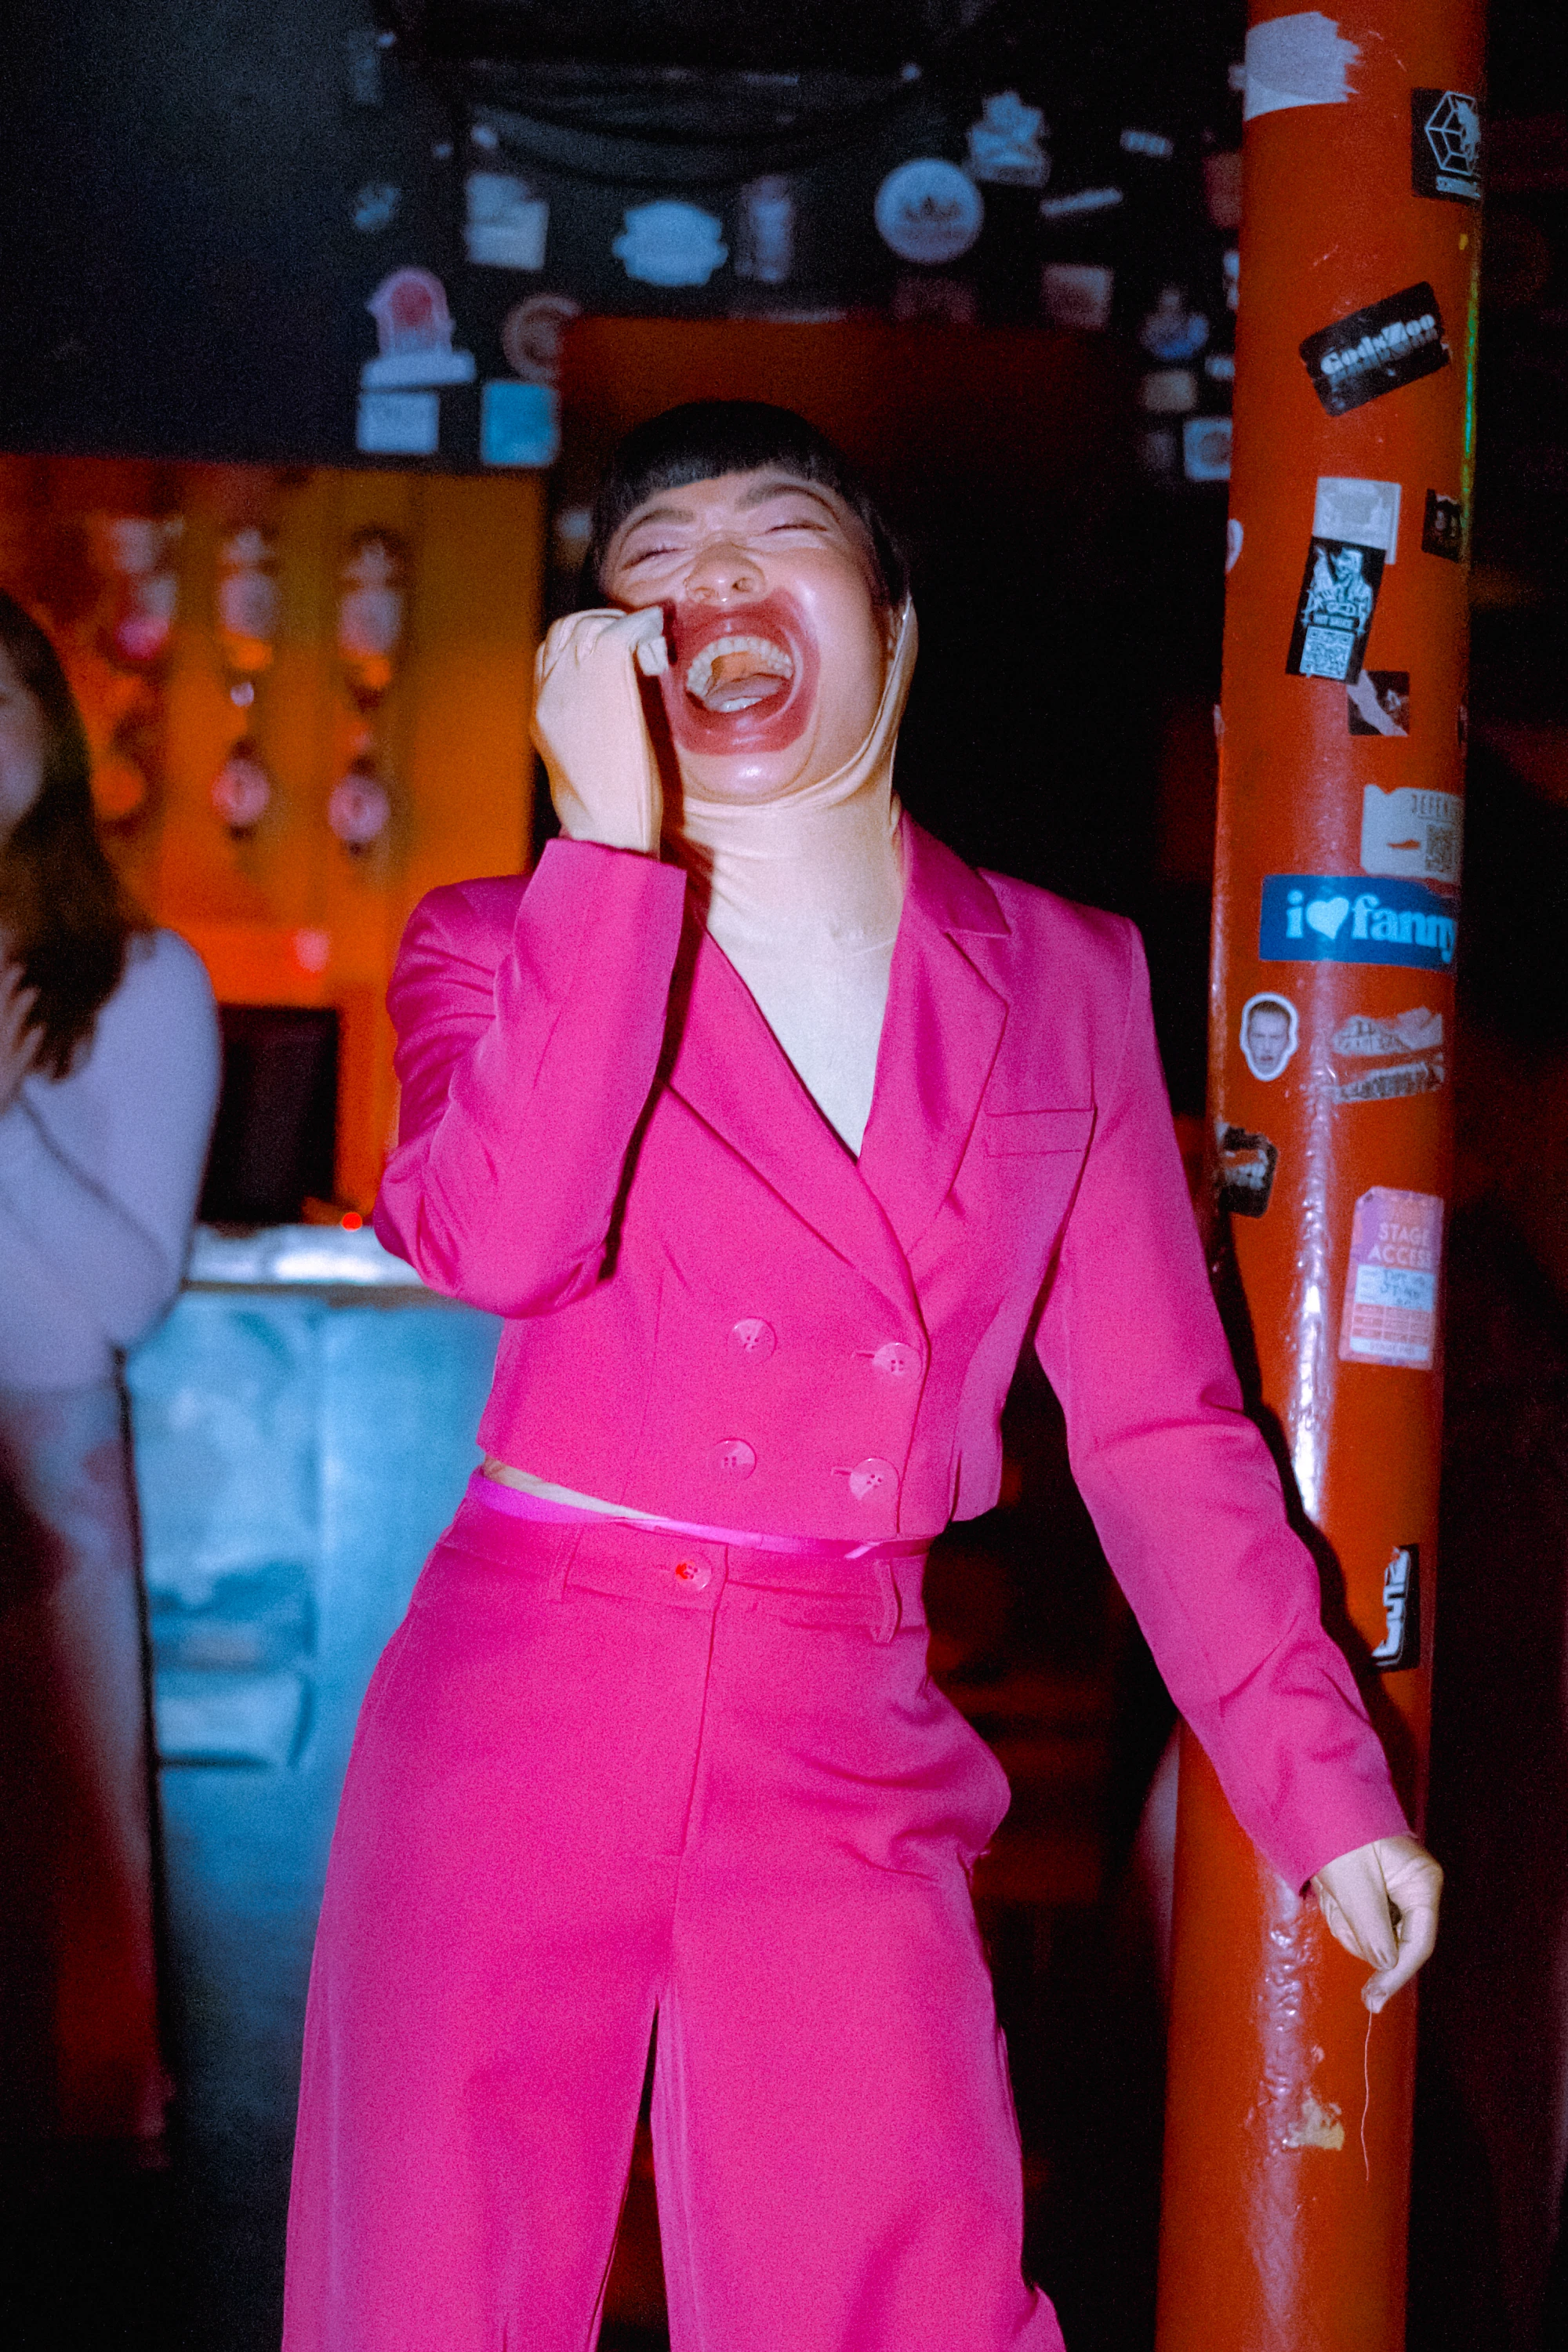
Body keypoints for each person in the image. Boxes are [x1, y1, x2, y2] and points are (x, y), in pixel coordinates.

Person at [283, 403, 1442, 2352]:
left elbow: (1158, 1430)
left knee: (904, 2298)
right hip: (524, 1686)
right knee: (425, 2294)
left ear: (891, 630)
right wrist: (608, 855)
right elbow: (497, 1241)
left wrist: (1324, 1787)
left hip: (845, 1711)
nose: (714, 575)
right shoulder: (500, 942)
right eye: (656, 561)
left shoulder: (1065, 975)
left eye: (776, 528)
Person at [0, 592, 220, 2154]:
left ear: (50, 743)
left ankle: (86, 2177)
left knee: (62, 1863)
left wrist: (3, 1124)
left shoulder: (140, 977)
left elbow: (132, 1297)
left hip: (41, 1448)